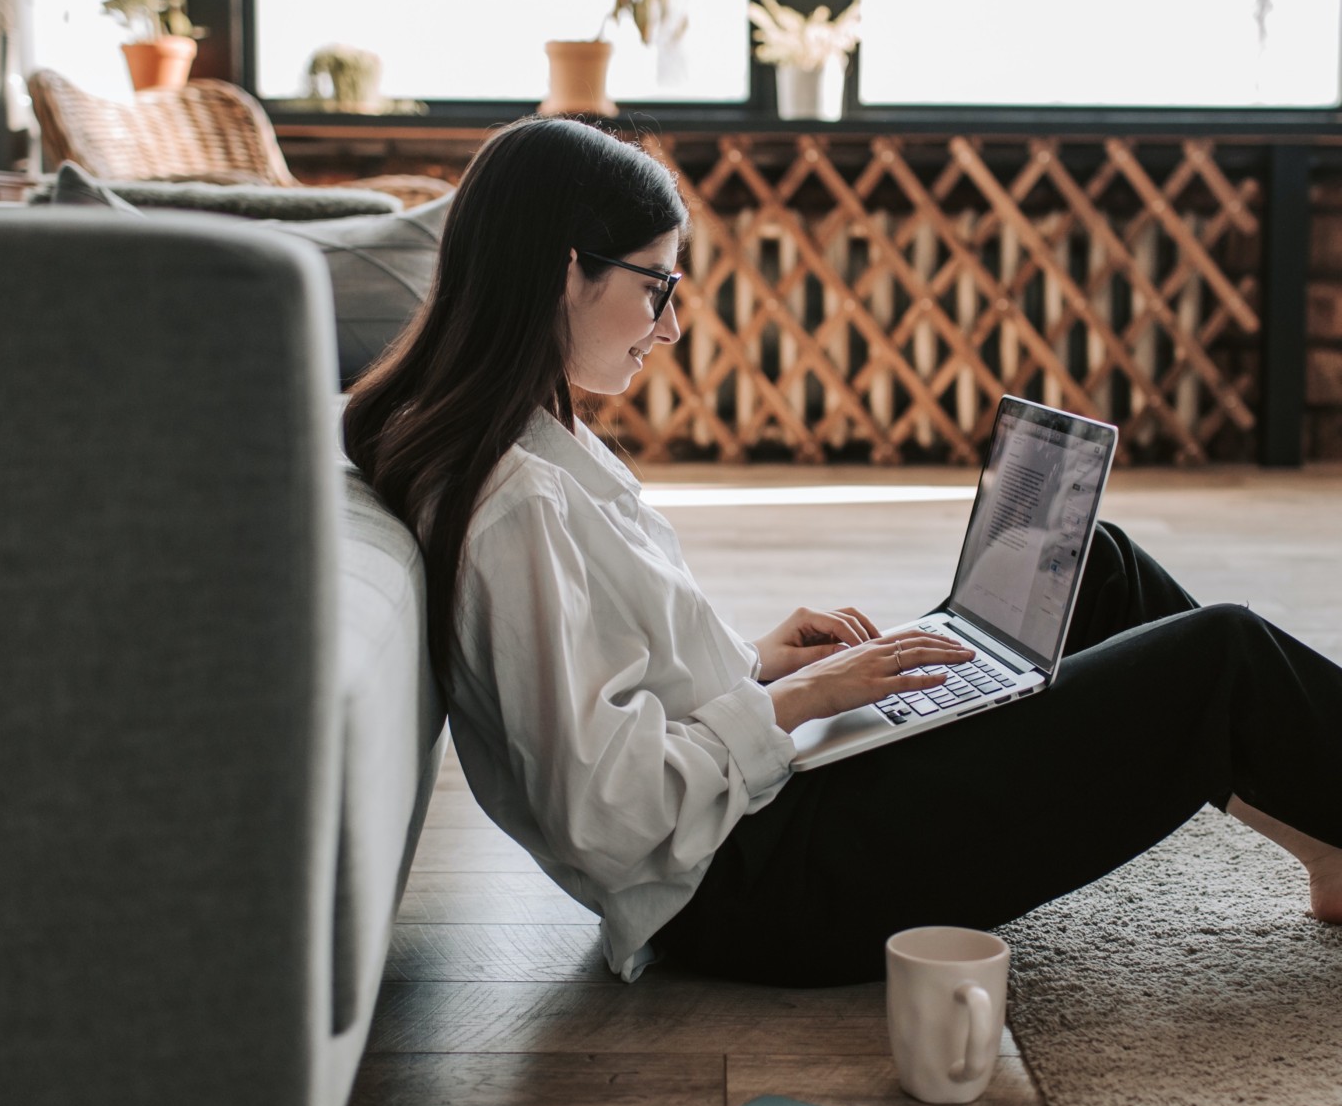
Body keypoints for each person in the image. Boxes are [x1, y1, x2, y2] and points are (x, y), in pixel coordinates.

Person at [343, 116, 1342, 987]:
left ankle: (1322, 837)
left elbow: (626, 683)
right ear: (570, 270)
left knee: (1099, 564)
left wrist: (755, 662)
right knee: (1222, 656)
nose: (673, 325)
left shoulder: (528, 442)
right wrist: (809, 699)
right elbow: (603, 812)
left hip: (762, 813)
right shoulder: (516, 504)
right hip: (760, 886)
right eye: (660, 287)